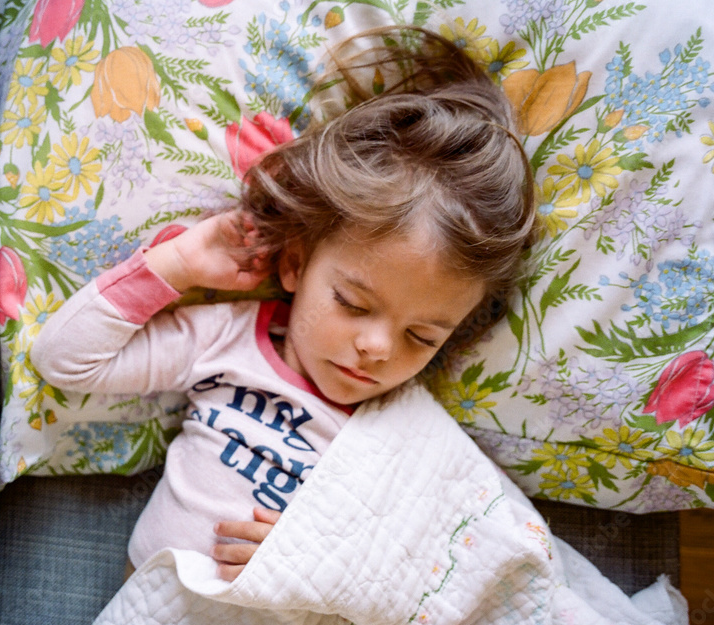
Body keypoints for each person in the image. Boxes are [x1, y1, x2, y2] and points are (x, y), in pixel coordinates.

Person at [31, 26, 537, 583]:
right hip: (152, 618)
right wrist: (177, 265)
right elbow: (65, 360)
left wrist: (311, 562)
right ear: (295, 264)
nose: (376, 347)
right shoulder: (224, 342)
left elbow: (446, 560)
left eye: (422, 337)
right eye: (352, 302)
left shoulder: (405, 429)